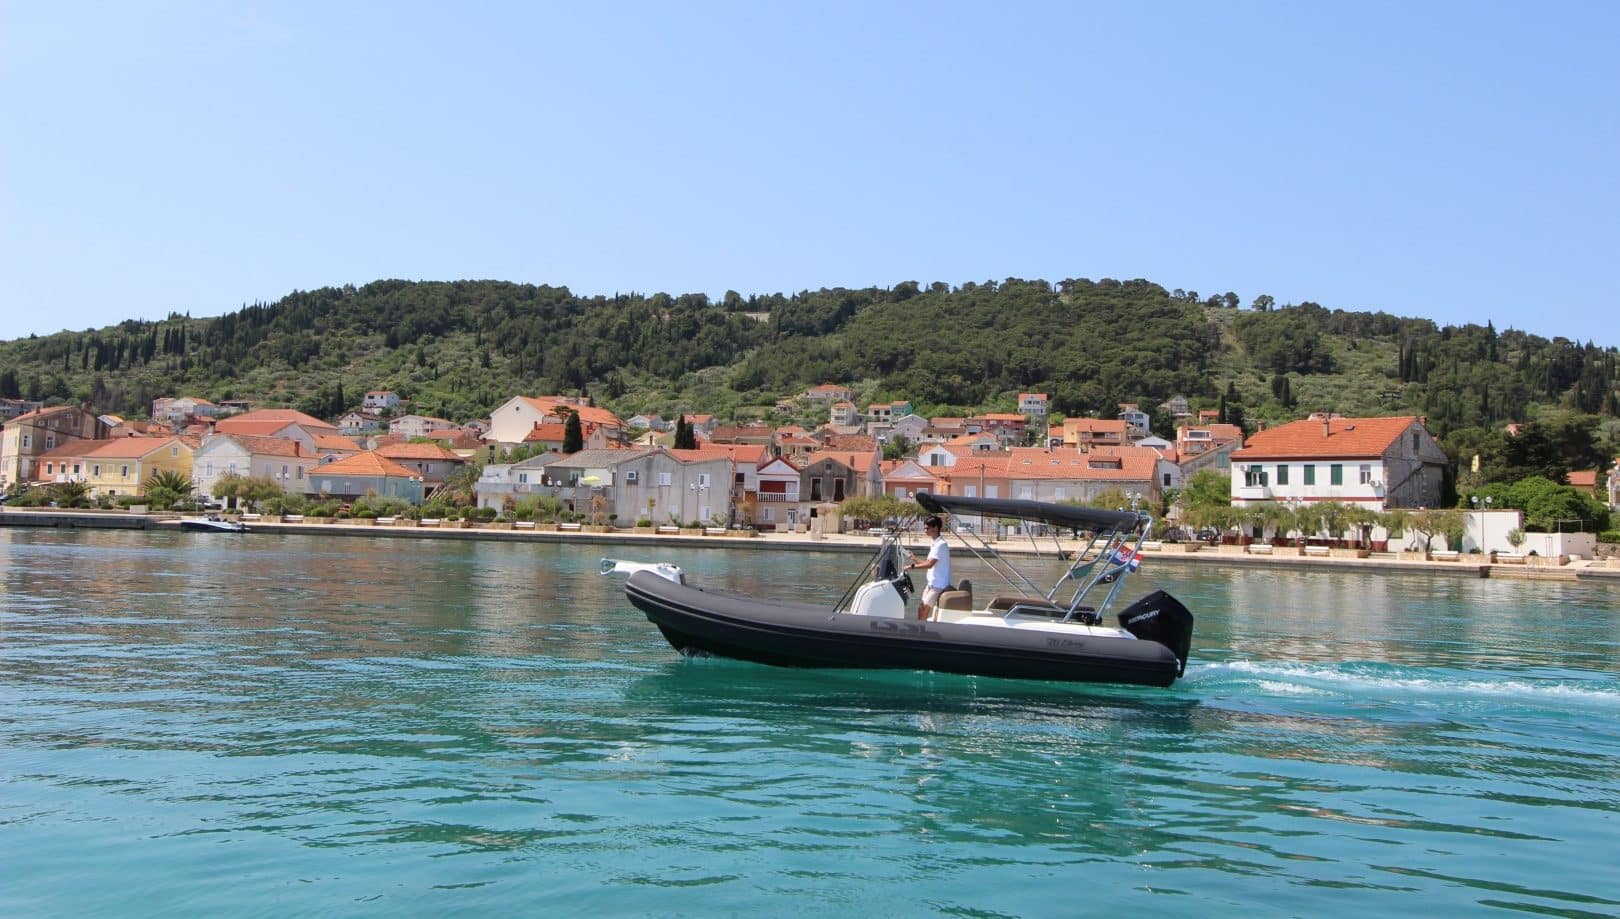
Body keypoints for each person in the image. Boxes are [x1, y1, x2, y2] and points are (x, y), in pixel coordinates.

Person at [906, 515, 952, 621]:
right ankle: (921, 628)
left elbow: (929, 564)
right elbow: (928, 563)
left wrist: (911, 567)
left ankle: (922, 630)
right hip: (931, 584)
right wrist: (913, 558)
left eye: (927, 528)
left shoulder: (941, 545)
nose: (925, 530)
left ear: (935, 528)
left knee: (924, 609)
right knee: (921, 609)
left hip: (938, 585)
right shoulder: (935, 544)